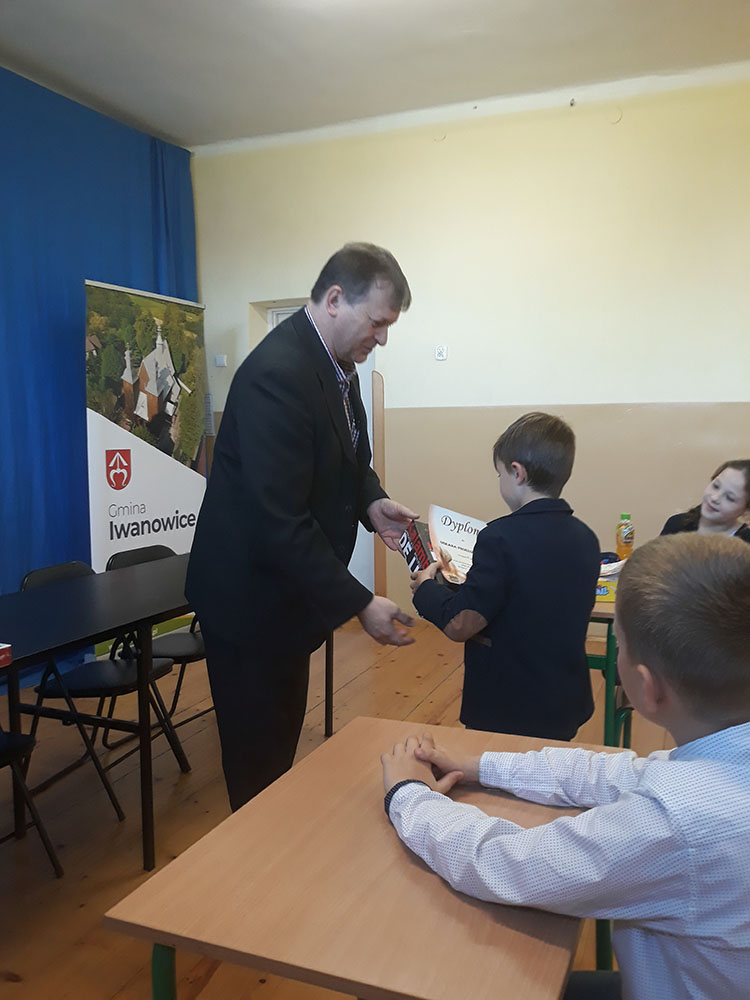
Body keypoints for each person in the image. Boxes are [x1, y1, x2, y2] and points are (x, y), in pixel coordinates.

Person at [381, 533, 750, 1000]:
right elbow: (612, 773)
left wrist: (408, 796)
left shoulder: (678, 821)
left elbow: (510, 865)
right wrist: (479, 766)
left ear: (646, 688)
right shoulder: (721, 763)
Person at [187, 243, 418, 810]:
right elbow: (280, 519)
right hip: (247, 603)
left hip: (284, 598)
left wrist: (372, 502)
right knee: (258, 763)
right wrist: (360, 602)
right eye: (378, 323)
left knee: (279, 742)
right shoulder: (277, 375)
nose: (382, 338)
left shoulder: (339, 367)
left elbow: (350, 461)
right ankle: (256, 857)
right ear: (335, 299)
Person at [409, 412, 600, 741]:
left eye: (499, 474)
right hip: (564, 703)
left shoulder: (498, 537)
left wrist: (426, 588)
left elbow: (461, 623)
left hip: (506, 706)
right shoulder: (586, 537)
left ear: (517, 472)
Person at [661, 459, 750, 542]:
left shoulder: (746, 543)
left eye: (729, 497)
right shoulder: (676, 524)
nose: (714, 498)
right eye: (716, 486)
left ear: (746, 510)